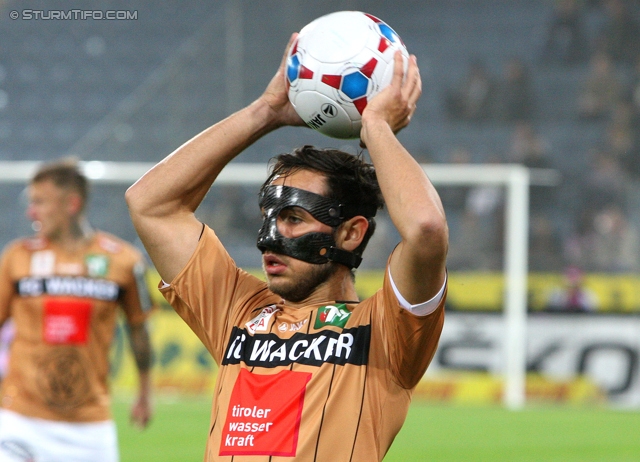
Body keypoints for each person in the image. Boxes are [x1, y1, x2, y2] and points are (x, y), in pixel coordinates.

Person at [126, 33, 447, 461]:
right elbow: (150, 204)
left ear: (350, 233)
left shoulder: (387, 332)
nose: (268, 238)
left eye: (293, 219)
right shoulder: (237, 310)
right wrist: (265, 112)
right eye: (268, 218)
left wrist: (377, 128)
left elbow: (426, 229)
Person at [0, 159, 154, 461]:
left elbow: (139, 330)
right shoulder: (17, 258)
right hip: (20, 420)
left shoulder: (124, 261)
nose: (32, 212)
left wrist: (145, 392)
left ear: (71, 203)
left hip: (88, 427)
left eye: (40, 202)